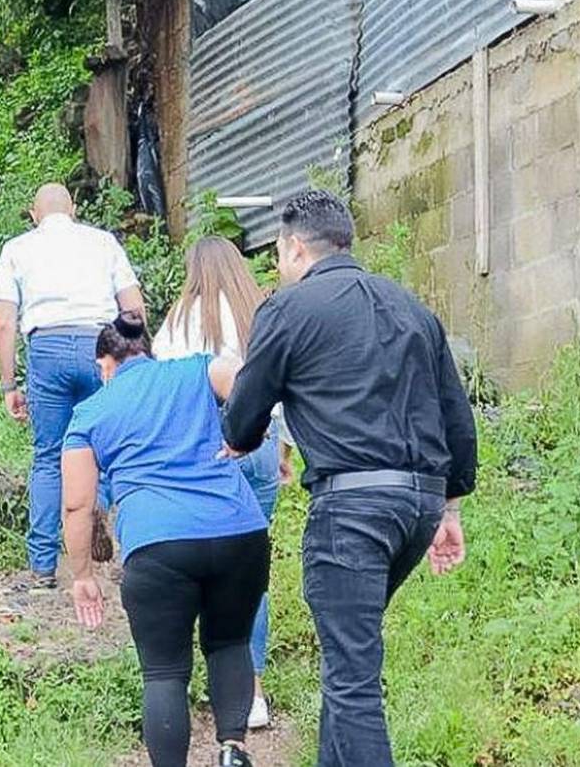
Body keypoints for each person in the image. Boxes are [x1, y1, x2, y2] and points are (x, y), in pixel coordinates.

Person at [222, 190, 477, 767]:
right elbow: (456, 418)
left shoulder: (288, 310)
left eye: (278, 255)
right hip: (419, 507)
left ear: (293, 247)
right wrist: (451, 509)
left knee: (354, 679)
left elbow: (243, 414)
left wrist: (236, 441)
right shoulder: (411, 307)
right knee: (348, 660)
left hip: (352, 510)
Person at [62, 313, 267, 767]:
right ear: (145, 350)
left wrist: (82, 575)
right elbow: (244, 377)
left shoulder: (91, 412)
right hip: (239, 531)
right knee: (230, 642)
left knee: (164, 673)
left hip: (158, 546)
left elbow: (78, 505)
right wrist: (249, 435)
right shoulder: (195, 369)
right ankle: (232, 750)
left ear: (106, 364)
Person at [152, 235, 283, 730]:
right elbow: (280, 387)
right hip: (261, 446)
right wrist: (283, 452)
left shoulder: (179, 321)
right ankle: (252, 694)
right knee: (251, 572)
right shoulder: (260, 315)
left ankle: (185, 680)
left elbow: (167, 392)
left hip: (203, 451)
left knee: (196, 564)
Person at [0, 184, 144, 589]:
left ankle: (42, 565)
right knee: (110, 451)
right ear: (73, 208)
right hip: (101, 345)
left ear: (33, 214)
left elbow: (4, 322)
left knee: (48, 457)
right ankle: (109, 544)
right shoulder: (103, 242)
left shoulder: (17, 248)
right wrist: (133, 364)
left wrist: (9, 384)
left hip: (47, 350)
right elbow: (134, 309)